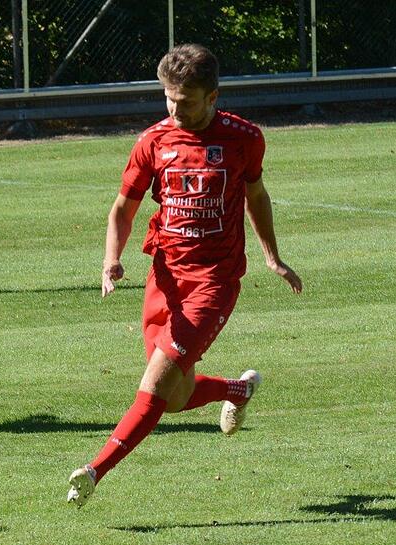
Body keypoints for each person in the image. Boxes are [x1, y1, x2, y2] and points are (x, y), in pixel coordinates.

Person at [66, 44, 303, 507]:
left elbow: (256, 195)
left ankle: (94, 471)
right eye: (169, 98)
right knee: (174, 399)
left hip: (214, 282)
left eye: (186, 101)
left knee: (154, 384)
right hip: (165, 279)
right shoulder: (153, 141)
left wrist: (272, 256)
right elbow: (123, 208)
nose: (175, 109)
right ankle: (239, 388)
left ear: (212, 96)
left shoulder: (244, 138)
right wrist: (111, 259)